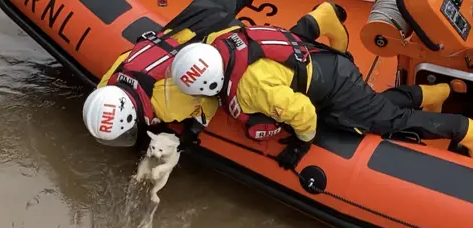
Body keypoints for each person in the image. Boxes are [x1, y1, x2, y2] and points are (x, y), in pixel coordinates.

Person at [168, 1, 473, 170]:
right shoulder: (220, 42)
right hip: (307, 55)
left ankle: (465, 129)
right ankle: (440, 92)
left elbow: (303, 113)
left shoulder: (251, 92)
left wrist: (303, 143)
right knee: (374, 106)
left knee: (389, 120)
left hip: (335, 83)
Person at [82, 0, 252, 151]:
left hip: (216, 35)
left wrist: (191, 131)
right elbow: (127, 57)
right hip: (187, 22)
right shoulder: (109, 82)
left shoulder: (166, 106)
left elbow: (207, 100)